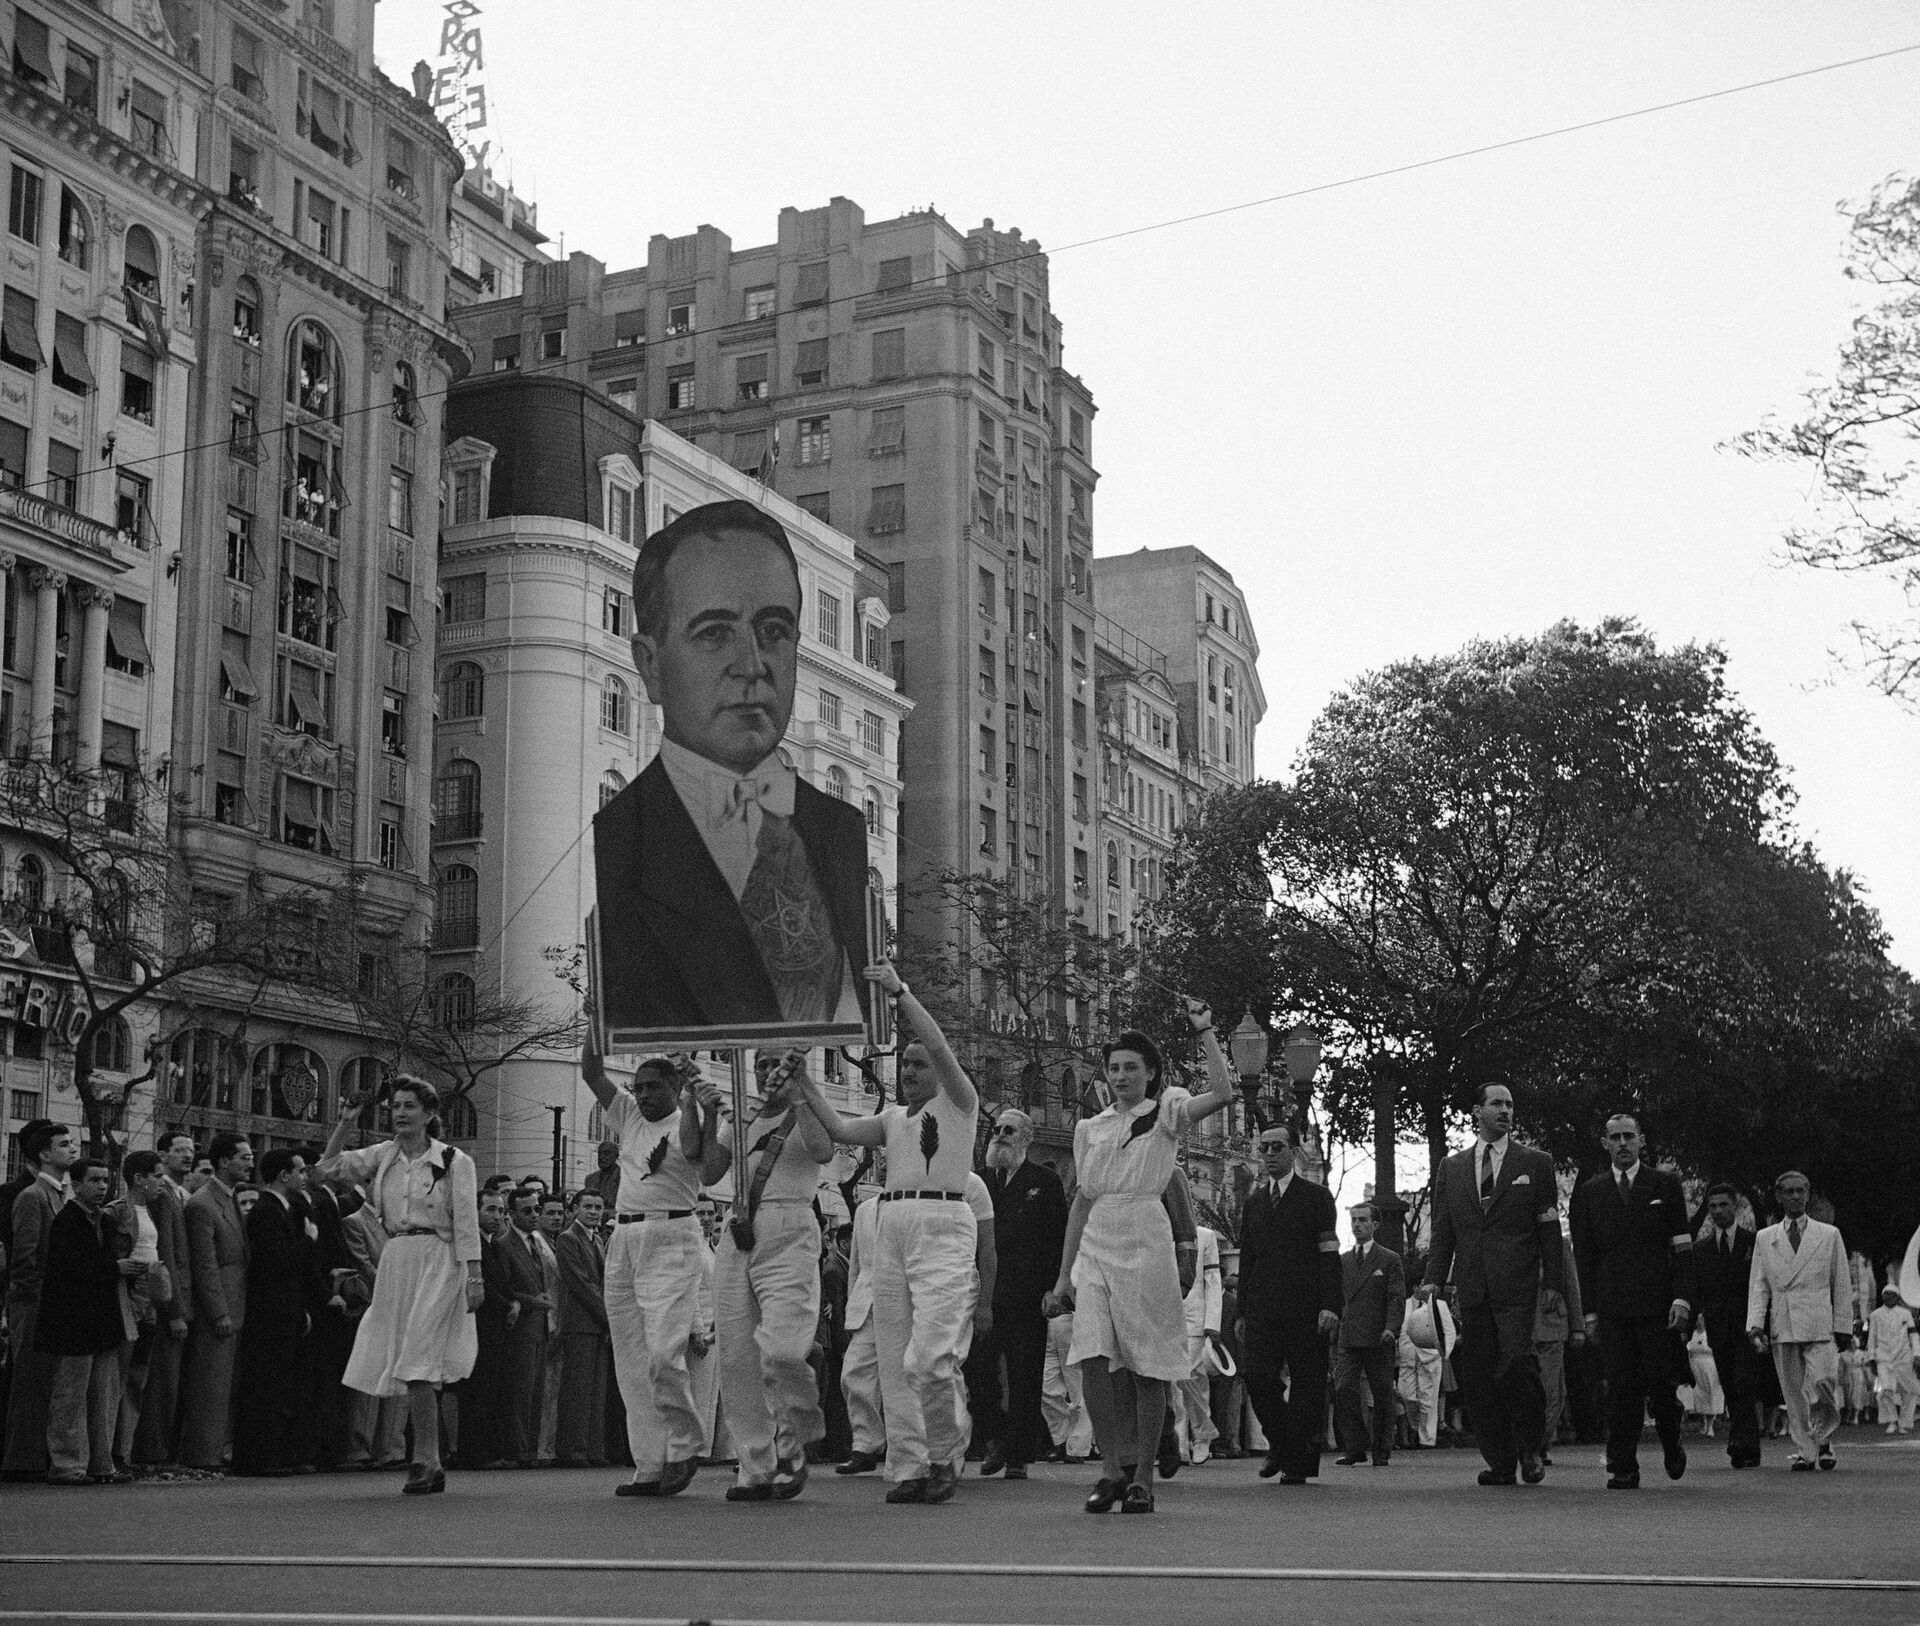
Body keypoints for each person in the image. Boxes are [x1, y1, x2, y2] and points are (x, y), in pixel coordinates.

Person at [593, 500, 873, 1041]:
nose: (752, 664)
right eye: (715, 633)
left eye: (773, 630)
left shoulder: (841, 829)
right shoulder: (624, 837)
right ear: (650, 665)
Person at [792, 962, 980, 1505]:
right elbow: (839, 1129)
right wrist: (803, 1077)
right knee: (895, 1358)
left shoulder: (959, 1104)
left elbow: (939, 1045)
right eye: (905, 1064)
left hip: (943, 1222)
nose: (912, 1069)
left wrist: (900, 993)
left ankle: (944, 1454)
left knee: (930, 1356)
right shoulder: (894, 1119)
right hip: (890, 1224)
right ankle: (909, 1464)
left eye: (919, 1063)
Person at [1044, 999, 1233, 1515]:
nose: (1122, 1076)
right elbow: (1082, 1200)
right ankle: (1110, 1470)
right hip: (1098, 1243)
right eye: (1114, 1067)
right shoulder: (1090, 1129)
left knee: (1148, 1365)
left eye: (1132, 1067)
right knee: (1095, 1359)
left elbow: (1222, 1092)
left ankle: (1143, 1476)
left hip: (1147, 1237)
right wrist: (1064, 1275)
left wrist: (1206, 1030)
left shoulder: (1167, 1110)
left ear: (1150, 1074)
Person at [318, 1077, 483, 1496]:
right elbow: (327, 1169)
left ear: (430, 1113)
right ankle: (430, 1460)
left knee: (420, 1357)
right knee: (407, 1360)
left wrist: (475, 1275)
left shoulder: (453, 1159)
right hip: (397, 1257)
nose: (401, 1113)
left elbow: (466, 1220)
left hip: (440, 1257)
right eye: (395, 1106)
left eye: (410, 1106)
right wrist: (345, 1123)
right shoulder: (383, 1155)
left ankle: (425, 1459)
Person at [581, 1045, 723, 1498]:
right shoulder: (628, 1117)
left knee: (664, 1352)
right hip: (623, 1239)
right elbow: (591, 1071)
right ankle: (649, 1463)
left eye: (652, 1086)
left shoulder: (690, 1118)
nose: (641, 1094)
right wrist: (594, 1020)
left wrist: (698, 1105)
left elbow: (700, 1152)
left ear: (675, 1087)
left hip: (672, 1233)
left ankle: (684, 1446)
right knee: (632, 1361)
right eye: (637, 1087)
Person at [1421, 1081, 1564, 1487]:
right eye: (1497, 1104)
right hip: (1473, 1288)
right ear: (1476, 1112)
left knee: (1517, 1364)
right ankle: (1500, 1461)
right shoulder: (1452, 1168)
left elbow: (1549, 1228)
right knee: (1479, 1376)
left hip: (1519, 1287)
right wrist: (1434, 1280)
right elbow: (1444, 1231)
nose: (1505, 1111)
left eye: (1510, 1105)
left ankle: (1531, 1446)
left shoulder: (1536, 1163)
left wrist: (1553, 1282)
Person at [705, 1050, 834, 1501]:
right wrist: (698, 1108)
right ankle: (755, 1466)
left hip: (791, 1225)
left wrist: (800, 1095)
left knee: (782, 1348)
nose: (767, 1072)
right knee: (737, 1356)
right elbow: (709, 1170)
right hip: (738, 1227)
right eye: (761, 1064)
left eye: (778, 1062)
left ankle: (792, 1444)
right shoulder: (740, 1115)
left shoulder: (808, 1108)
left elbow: (823, 1150)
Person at [1568, 1114, 1695, 1490]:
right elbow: (1584, 1258)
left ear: (1641, 1141)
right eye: (1615, 1137)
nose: (1623, 1143)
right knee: (1621, 1386)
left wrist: (1683, 1299)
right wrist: (1588, 1312)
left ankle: (1672, 1440)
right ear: (1604, 1144)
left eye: (1629, 1136)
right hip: (1612, 1307)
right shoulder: (1591, 1192)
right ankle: (1623, 1465)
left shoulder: (1665, 1184)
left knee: (1660, 1383)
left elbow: (1682, 1248)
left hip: (1658, 1306)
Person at [1236, 1123, 1342, 1485]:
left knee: (1308, 1387)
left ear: (1294, 1152)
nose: (1268, 1155)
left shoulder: (1316, 1197)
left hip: (1307, 1307)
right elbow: (1248, 1258)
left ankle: (1297, 1464)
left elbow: (1329, 1254)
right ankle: (1282, 1443)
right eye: (1263, 1148)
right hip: (1263, 1308)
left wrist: (1331, 1304)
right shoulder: (1253, 1204)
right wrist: (1241, 1312)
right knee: (1258, 1377)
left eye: (1276, 1147)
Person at [971, 1110, 1068, 1481]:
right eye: (996, 1129)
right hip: (984, 1293)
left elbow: (1057, 1238)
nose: (999, 1135)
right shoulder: (978, 1183)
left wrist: (1054, 1288)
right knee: (977, 1369)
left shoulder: (1044, 1182)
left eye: (1008, 1130)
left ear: (1026, 1137)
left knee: (1025, 1376)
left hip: (1027, 1295)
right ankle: (993, 1437)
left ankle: (1018, 1454)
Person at [38, 1157, 139, 1485]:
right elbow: (69, 1269)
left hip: (102, 1322)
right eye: (93, 1181)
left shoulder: (104, 1221)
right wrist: (115, 1269)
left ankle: (101, 1462)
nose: (101, 1187)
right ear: (76, 1184)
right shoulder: (68, 1221)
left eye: (104, 1180)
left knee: (103, 1396)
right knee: (70, 1396)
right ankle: (68, 1464)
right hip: (73, 1323)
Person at [1746, 1170, 1853, 1472]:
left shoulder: (1828, 1234)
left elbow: (1841, 1282)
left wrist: (1843, 1325)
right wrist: (1755, 1325)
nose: (1795, 1196)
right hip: (1784, 1321)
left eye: (1800, 1191)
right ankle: (1807, 1451)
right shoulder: (1766, 1239)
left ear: (1808, 1194)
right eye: (1789, 1191)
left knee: (1823, 1383)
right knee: (1793, 1391)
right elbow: (1760, 1284)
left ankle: (1825, 1439)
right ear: (1779, 1196)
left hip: (1819, 1322)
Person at [232, 1150, 322, 1477]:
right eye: (298, 1171)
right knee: (265, 1385)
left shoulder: (285, 1208)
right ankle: (258, 1457)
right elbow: (278, 1261)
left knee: (279, 1383)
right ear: (284, 1175)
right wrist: (308, 1241)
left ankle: (272, 1453)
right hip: (269, 1311)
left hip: (284, 1307)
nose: (303, 1177)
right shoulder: (266, 1210)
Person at [3, 1120, 76, 1480]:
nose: (72, 1149)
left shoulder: (64, 1195)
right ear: (45, 1155)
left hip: (56, 1304)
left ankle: (38, 1458)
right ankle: (21, 1462)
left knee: (50, 1384)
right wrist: (44, 1299)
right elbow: (24, 1260)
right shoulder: (32, 1196)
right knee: (29, 1384)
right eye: (64, 1144)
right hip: (35, 1305)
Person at [177, 1131, 253, 1472]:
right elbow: (204, 1265)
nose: (249, 1162)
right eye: (243, 1157)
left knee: (227, 1384)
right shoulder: (202, 1204)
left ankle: (219, 1449)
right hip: (220, 1307)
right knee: (210, 1384)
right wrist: (218, 1312)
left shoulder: (231, 1197)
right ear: (223, 1160)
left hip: (238, 1301)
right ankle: (202, 1454)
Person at [105, 1150, 180, 1474]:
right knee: (118, 1376)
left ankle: (123, 1451)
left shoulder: (152, 1210)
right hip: (128, 1297)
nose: (162, 1182)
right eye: (157, 1175)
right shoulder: (117, 1212)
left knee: (137, 1377)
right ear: (139, 1178)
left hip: (149, 1299)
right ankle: (107, 1452)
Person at [130, 1132, 194, 1469]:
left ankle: (162, 1448)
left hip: (177, 1295)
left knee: (171, 1381)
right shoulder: (161, 1195)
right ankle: (151, 1451)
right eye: (179, 1150)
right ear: (163, 1155)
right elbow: (166, 1252)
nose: (187, 1156)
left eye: (191, 1150)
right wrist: (174, 1310)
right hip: (164, 1299)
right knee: (159, 1380)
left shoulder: (180, 1193)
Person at [1333, 1200, 1406, 1469]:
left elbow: (1396, 1298)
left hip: (1378, 1336)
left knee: (1382, 1393)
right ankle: (1356, 1445)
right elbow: (1338, 1297)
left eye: (1363, 1220)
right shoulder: (1344, 1260)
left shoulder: (1388, 1258)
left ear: (1375, 1224)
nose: (1357, 1225)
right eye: (1354, 1220)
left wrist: (1391, 1327)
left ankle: (1382, 1449)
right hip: (1350, 1335)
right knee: (1343, 1389)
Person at [1694, 1182, 1763, 1468]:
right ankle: (1744, 1444)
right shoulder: (1702, 1248)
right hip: (1718, 1327)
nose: (1718, 1211)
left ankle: (1742, 1442)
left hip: (1748, 1326)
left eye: (1724, 1205)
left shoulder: (1754, 1242)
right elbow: (1699, 1289)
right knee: (1731, 1387)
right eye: (1713, 1206)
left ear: (1735, 1206)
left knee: (1744, 1382)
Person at [555, 1190, 611, 1467]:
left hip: (597, 1323)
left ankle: (592, 1449)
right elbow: (581, 1284)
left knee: (596, 1390)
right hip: (579, 1322)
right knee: (577, 1390)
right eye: (587, 1206)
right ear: (575, 1208)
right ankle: (573, 1450)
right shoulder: (568, 1239)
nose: (593, 1211)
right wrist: (608, 1316)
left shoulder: (597, 1239)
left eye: (598, 1207)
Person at [498, 1189, 554, 1466]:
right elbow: (504, 1289)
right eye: (527, 1211)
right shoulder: (504, 1244)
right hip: (519, 1328)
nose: (534, 1215)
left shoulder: (537, 1242)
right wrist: (534, 1301)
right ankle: (518, 1450)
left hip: (539, 1327)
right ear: (511, 1215)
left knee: (535, 1392)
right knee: (519, 1393)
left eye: (536, 1209)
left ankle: (530, 1449)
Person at [835, 1192, 885, 1476]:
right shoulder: (865, 1209)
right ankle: (865, 1445)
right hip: (867, 1304)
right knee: (853, 1373)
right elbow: (855, 1264)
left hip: (905, 1299)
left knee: (910, 1377)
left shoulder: (916, 1204)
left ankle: (925, 1449)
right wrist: (854, 1304)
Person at [1168, 1221, 1222, 1470]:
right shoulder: (1157, 1230)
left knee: (1193, 1378)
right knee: (1174, 1382)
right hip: (1165, 1316)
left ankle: (1202, 1435)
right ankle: (1179, 1445)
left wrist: (1212, 1323)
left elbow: (1212, 1280)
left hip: (1194, 1317)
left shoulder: (1205, 1236)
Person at [1533, 1227, 1583, 1459]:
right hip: (1528, 1326)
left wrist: (1577, 1326)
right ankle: (1535, 1444)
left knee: (1554, 1393)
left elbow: (1571, 1285)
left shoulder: (1561, 1245)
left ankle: (1538, 1444)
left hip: (1551, 1326)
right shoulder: (1515, 1240)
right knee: (1546, 1392)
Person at [1867, 1285, 1919, 1434]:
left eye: (1892, 1294)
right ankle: (1892, 1420)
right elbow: (1872, 1337)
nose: (1889, 1297)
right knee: (1885, 1390)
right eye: (1886, 1294)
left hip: (1904, 1357)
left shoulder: (1905, 1314)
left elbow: (1913, 1335)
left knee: (1910, 1391)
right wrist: (1871, 1358)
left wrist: (1917, 1355)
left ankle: (1905, 1423)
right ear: (1882, 1296)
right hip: (1883, 1357)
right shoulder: (1875, 1315)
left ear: (1897, 1297)